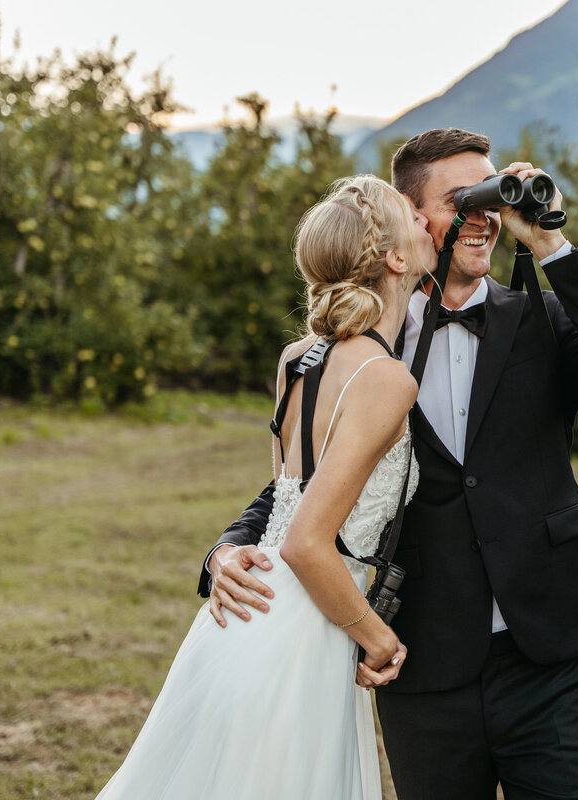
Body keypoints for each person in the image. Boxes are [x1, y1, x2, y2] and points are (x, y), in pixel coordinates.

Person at [203, 128, 578, 800]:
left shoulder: (539, 318)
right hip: (421, 663)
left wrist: (551, 241)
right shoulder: (361, 353)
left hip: (548, 656)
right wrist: (228, 548)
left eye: (490, 194)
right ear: (414, 220)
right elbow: (305, 481)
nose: (483, 216)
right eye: (460, 200)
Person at [96, 174, 435, 800]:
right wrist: (377, 636)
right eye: (411, 217)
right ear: (394, 258)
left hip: (247, 612)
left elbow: (285, 495)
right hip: (307, 629)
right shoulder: (386, 379)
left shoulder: (297, 358)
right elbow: (309, 541)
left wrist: (227, 550)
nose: (424, 223)